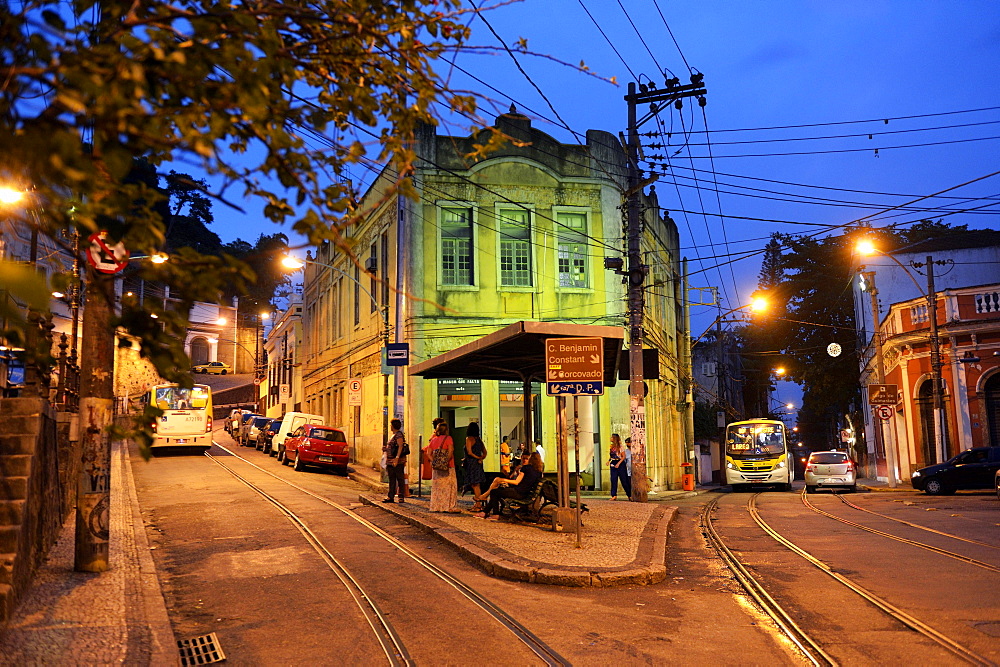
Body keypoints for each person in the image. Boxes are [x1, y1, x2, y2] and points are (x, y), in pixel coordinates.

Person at [478, 451, 544, 520]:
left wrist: (503, 480)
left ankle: (495, 514)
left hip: (518, 493)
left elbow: (516, 482)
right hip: (527, 494)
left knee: (494, 492)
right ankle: (485, 512)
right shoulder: (538, 472)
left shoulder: (526, 468)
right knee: (496, 491)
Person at [425, 421, 460, 513]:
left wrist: (435, 461)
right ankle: (449, 507)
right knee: (450, 486)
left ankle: (437, 506)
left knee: (437, 487)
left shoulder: (433, 440)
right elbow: (450, 451)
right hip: (448, 466)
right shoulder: (448, 438)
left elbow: (428, 453)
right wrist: (445, 461)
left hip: (436, 467)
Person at [462, 422, 487, 512]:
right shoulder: (479, 440)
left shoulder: (469, 439)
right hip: (478, 464)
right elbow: (485, 451)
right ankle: (477, 504)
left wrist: (477, 457)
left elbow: (469, 452)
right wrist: (481, 458)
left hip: (471, 463)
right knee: (477, 484)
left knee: (474, 484)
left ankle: (478, 504)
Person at [382, 418, 408, 504]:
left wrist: (396, 458)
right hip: (390, 460)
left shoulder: (399, 435)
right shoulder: (394, 435)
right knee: (392, 478)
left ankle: (401, 496)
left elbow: (400, 446)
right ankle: (391, 496)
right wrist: (386, 449)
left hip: (397, 461)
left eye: (391, 425)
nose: (390, 427)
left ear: (393, 426)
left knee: (399, 478)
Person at [609, 433, 631, 500]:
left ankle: (629, 494)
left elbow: (623, 456)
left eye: (612, 437)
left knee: (624, 480)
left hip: (620, 462)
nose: (610, 438)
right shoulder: (611, 446)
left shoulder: (620, 447)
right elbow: (612, 455)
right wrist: (609, 460)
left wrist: (618, 463)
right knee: (613, 479)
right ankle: (613, 495)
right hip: (613, 462)